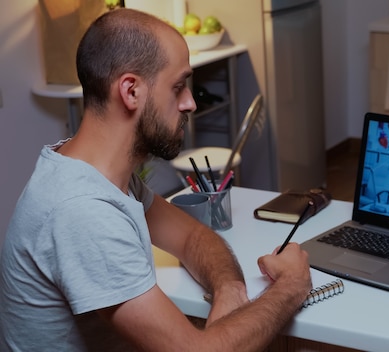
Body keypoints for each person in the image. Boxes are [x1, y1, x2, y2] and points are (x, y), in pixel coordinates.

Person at [0, 8, 312, 351]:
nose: (190, 102)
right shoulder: (81, 210)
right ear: (130, 91)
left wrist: (229, 289)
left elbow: (194, 237)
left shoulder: (97, 174)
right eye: (178, 87)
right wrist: (290, 287)